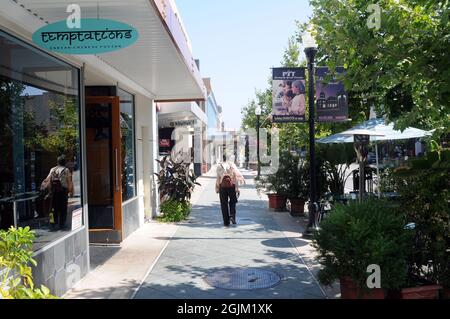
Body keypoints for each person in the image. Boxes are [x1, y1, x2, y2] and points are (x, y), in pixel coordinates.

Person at [41, 155, 74, 231]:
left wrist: (47, 189)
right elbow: (69, 182)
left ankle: (53, 223)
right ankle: (62, 224)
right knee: (63, 209)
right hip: (63, 192)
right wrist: (70, 190)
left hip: (53, 192)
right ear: (64, 162)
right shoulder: (66, 170)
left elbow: (47, 179)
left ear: (57, 162)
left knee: (53, 209)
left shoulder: (52, 169)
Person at [216, 155, 245, 227]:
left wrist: (217, 188)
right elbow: (236, 177)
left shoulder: (219, 166)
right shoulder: (232, 166)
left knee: (223, 204)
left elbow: (218, 178)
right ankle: (232, 216)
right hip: (231, 186)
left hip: (222, 187)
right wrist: (237, 188)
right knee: (233, 201)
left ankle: (226, 222)